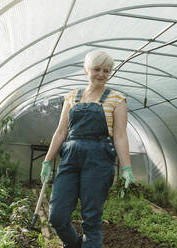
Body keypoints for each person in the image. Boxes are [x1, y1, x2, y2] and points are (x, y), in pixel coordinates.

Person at [40, 50, 135, 248]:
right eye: (97, 69)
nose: (101, 74)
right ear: (86, 70)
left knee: (91, 219)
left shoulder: (117, 99)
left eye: (106, 71)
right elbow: (61, 132)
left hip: (99, 160)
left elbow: (119, 135)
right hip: (70, 159)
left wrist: (127, 167)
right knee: (57, 216)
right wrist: (48, 160)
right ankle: (75, 244)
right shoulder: (72, 97)